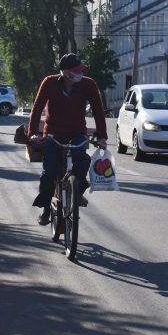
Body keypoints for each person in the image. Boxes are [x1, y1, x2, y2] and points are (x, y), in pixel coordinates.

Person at [28, 53, 108, 226]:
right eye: (75, 71)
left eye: (81, 70)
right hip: (53, 134)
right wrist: (33, 133)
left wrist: (102, 136)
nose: (79, 74)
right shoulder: (49, 82)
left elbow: (98, 111)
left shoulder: (88, 84)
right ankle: (46, 209)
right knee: (49, 171)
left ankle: (77, 190)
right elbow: (36, 109)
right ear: (64, 72)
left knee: (82, 160)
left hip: (77, 132)